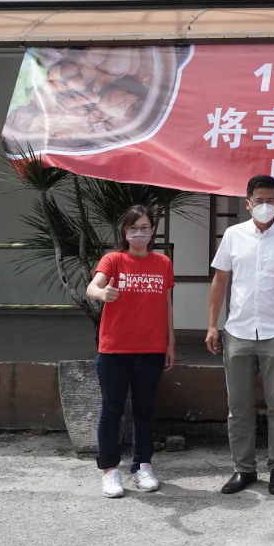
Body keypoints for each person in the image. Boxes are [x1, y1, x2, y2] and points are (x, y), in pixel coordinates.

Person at [206, 174, 274, 496]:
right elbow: (220, 280)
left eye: (271, 200)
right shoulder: (233, 235)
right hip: (237, 330)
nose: (265, 205)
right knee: (238, 406)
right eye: (259, 200)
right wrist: (212, 324)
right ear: (248, 203)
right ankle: (243, 469)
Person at [85, 205, 175, 498]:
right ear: (125, 231)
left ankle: (142, 467)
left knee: (144, 410)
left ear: (152, 231)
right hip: (114, 349)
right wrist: (102, 293)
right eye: (133, 228)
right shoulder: (113, 260)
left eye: (144, 227)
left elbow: (167, 305)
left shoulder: (163, 263)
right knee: (111, 410)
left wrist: (170, 343)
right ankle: (110, 471)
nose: (139, 233)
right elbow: (92, 287)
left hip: (151, 349)